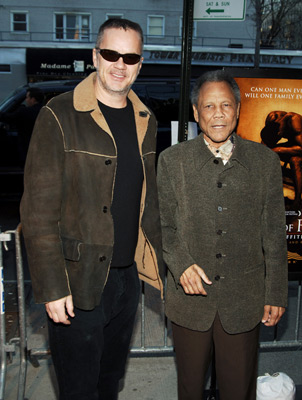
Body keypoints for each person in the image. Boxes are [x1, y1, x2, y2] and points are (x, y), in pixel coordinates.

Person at [20, 18, 164, 400]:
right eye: (111, 53)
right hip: (76, 281)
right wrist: (51, 287)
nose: (120, 64)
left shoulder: (146, 121)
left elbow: (147, 202)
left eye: (130, 56)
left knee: (109, 382)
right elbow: (37, 212)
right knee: (78, 388)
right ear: (95, 56)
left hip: (126, 281)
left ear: (140, 63)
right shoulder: (59, 114)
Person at [157, 69, 288, 400]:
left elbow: (274, 233)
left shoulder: (265, 162)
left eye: (226, 105)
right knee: (190, 389)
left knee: (237, 390)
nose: (218, 114)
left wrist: (275, 292)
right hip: (190, 303)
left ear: (238, 109)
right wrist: (182, 264)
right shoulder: (172, 161)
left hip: (244, 300)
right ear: (195, 113)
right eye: (209, 106)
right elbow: (165, 226)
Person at [261, 110, 302, 209]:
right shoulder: (271, 118)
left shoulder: (294, 121)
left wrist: (278, 150)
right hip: (293, 146)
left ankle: (297, 201)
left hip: (300, 148)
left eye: (279, 137)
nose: (280, 138)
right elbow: (265, 144)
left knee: (295, 160)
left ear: (280, 131)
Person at [0, 87, 44, 166]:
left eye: (27, 97)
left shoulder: (24, 112)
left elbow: (8, 118)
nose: (26, 100)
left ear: (33, 99)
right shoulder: (47, 111)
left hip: (27, 148)